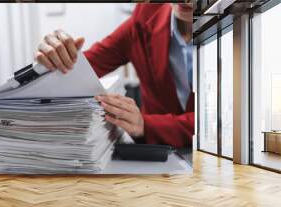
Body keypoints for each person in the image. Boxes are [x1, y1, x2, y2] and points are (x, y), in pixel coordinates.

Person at [34, 3, 194, 148]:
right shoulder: (145, 17)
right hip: (156, 153)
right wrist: (52, 60)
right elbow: (81, 67)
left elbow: (217, 120)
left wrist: (148, 125)